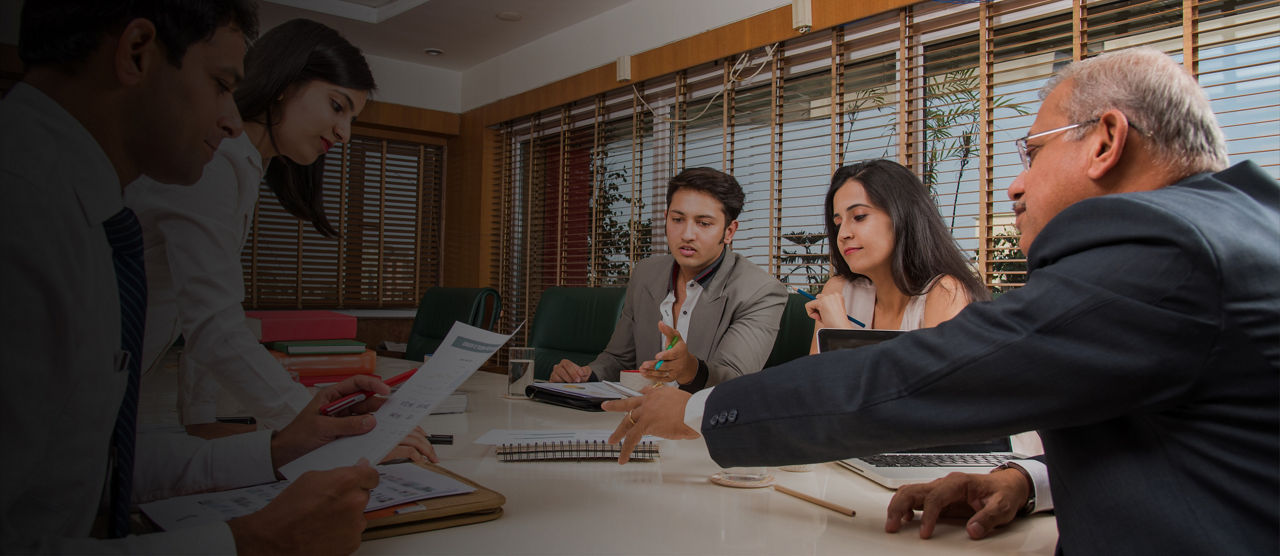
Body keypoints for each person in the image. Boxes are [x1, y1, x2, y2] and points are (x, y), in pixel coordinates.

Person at [602, 47, 1278, 555]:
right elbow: (1181, 436)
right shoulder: (1237, 231)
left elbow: (918, 376)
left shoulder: (1169, 248)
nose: (1015, 186)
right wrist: (1025, 479)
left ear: (1106, 139)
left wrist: (698, 409)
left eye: (1031, 152)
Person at [1, 2, 383, 553]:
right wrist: (252, 541)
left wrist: (279, 445)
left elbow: (84, 463)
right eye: (222, 84)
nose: (230, 119)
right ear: (136, 52)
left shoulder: (82, 213)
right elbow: (215, 326)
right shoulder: (26, 214)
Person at [124, 18, 433, 462]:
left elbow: (203, 310)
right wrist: (313, 426)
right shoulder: (212, 162)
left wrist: (200, 416)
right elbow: (213, 325)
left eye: (352, 118)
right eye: (337, 106)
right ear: (286, 85)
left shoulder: (244, 167)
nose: (344, 133)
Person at [550, 167, 787, 392]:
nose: (686, 234)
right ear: (666, 218)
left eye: (703, 223)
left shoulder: (760, 291)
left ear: (729, 232)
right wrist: (584, 376)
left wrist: (690, 370)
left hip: (702, 426)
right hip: (638, 418)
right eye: (677, 219)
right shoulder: (646, 274)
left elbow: (734, 380)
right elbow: (618, 358)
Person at [805, 159, 989, 350]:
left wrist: (840, 334)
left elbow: (930, 381)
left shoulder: (945, 293)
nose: (843, 234)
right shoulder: (838, 291)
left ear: (903, 215)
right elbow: (817, 378)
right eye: (838, 224)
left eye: (859, 217)